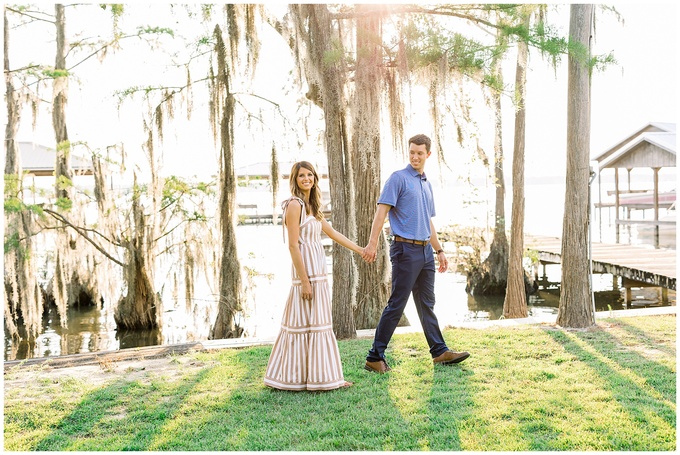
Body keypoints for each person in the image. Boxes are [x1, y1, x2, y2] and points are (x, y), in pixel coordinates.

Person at [361, 134, 470, 374]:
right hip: (404, 250)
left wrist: (439, 249)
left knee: (426, 304)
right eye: (412, 152)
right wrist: (371, 244)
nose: (415, 157)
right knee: (397, 304)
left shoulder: (426, 184)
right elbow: (381, 214)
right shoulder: (398, 179)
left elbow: (427, 221)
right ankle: (374, 357)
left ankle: (439, 351)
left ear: (428, 155)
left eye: (420, 153)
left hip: (425, 252)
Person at [264, 161, 363, 391]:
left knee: (317, 325)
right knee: (300, 324)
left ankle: (325, 377)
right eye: (301, 175)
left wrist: (360, 250)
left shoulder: (312, 206)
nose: (306, 179)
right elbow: (292, 246)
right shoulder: (294, 205)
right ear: (295, 179)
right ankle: (292, 378)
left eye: (310, 175)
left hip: (318, 273)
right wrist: (305, 282)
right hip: (305, 274)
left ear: (315, 179)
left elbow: (333, 233)